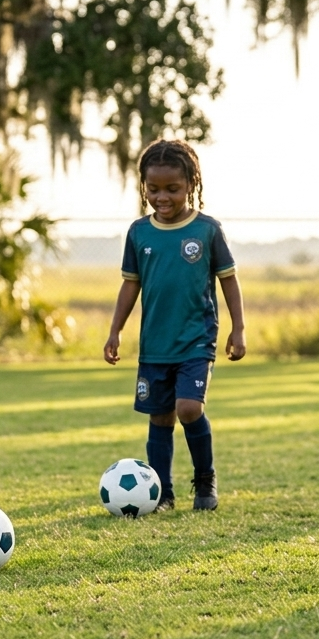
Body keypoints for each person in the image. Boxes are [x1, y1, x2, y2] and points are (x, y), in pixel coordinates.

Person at [105, 140, 246, 512]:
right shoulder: (139, 233)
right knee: (160, 416)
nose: (162, 197)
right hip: (155, 344)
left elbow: (229, 280)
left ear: (191, 184)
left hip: (196, 341)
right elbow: (130, 285)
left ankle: (205, 481)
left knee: (188, 408)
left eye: (173, 189)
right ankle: (162, 492)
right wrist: (115, 331)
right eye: (153, 189)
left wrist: (239, 328)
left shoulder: (207, 231)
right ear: (143, 187)